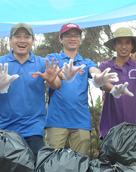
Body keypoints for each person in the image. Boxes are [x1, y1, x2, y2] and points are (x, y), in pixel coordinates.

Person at [0, 23, 63, 156]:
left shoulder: (42, 62)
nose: (22, 40)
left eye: (27, 37)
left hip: (33, 129)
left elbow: (57, 84)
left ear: (32, 40)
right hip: (6, 129)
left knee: (33, 171)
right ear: (10, 40)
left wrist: (51, 80)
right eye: (17, 36)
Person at [45, 23, 104, 155]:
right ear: (60, 39)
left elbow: (95, 71)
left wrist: (100, 77)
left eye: (76, 35)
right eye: (68, 35)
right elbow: (53, 76)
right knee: (52, 162)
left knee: (80, 163)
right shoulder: (52, 58)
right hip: (56, 120)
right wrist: (63, 75)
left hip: (81, 121)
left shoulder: (86, 62)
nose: (73, 38)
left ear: (80, 39)